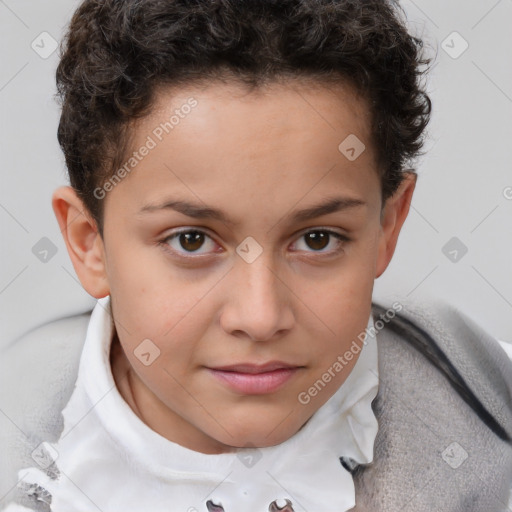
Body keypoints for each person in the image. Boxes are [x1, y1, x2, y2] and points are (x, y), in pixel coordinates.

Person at [1, 0, 512, 511]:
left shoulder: (488, 397)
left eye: (317, 239)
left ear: (387, 226)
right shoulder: (19, 457)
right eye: (192, 240)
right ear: (90, 244)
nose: (261, 317)